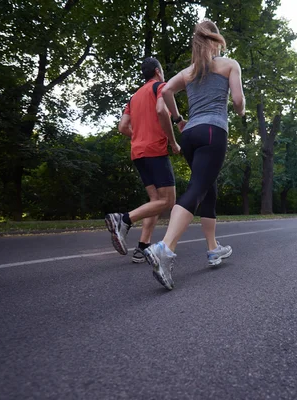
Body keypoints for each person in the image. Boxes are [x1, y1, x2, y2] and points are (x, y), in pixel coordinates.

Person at [144, 20, 246, 289]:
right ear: (215, 40)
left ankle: (213, 248)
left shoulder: (188, 72)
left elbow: (165, 90)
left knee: (208, 189)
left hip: (190, 136)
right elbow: (237, 102)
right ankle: (164, 249)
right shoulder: (228, 65)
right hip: (213, 132)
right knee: (198, 188)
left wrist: (179, 119)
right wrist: (241, 110)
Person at [105, 57, 182, 263]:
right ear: (158, 71)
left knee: (155, 201)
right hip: (155, 150)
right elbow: (160, 110)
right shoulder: (160, 87)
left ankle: (142, 246)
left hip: (138, 152)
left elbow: (122, 127)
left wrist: (139, 136)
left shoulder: (133, 97)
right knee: (168, 201)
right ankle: (123, 219)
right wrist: (173, 142)